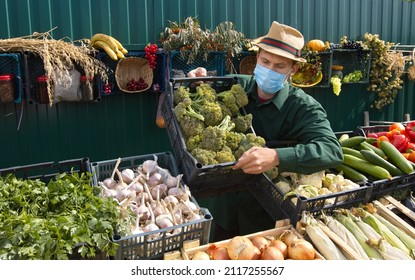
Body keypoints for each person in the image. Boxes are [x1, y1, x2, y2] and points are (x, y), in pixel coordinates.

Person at [197, 21, 344, 241]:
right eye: (265, 61)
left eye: (279, 66)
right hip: (222, 208)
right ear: (257, 59)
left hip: (265, 217)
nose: (269, 70)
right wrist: (196, 81)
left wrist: (276, 156)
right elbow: (165, 116)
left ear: (293, 70)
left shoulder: (303, 107)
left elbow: (332, 150)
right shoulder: (236, 86)